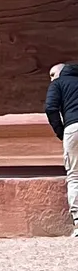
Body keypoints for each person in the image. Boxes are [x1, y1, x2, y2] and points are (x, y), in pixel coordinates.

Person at [46, 59, 78, 237]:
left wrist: (61, 132)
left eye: (52, 74)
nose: (51, 79)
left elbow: (51, 108)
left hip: (73, 128)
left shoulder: (58, 83)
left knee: (74, 175)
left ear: (60, 72)